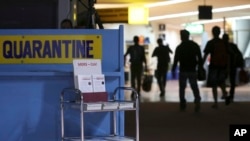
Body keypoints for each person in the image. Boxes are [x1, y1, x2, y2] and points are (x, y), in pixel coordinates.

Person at [171, 30, 202, 112]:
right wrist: (200, 66)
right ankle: (197, 100)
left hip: (183, 70)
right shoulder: (195, 45)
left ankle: (182, 103)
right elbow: (199, 57)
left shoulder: (179, 47)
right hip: (192, 69)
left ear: (181, 37)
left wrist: (173, 69)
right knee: (194, 86)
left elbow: (175, 60)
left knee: (182, 87)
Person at [203, 26, 229, 109]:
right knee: (221, 82)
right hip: (222, 66)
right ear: (219, 33)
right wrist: (228, 66)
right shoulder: (223, 42)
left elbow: (206, 54)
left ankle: (216, 102)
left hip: (213, 66)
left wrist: (201, 65)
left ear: (213, 32)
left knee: (214, 84)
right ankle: (225, 93)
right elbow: (228, 55)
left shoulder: (211, 43)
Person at [222, 33, 244, 105]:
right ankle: (231, 96)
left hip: (224, 66)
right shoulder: (233, 46)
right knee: (232, 82)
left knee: (222, 80)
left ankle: (225, 93)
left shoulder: (222, 47)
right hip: (232, 66)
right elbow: (239, 55)